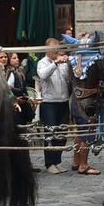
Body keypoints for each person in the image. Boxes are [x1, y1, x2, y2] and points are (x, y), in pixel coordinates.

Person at [36, 38, 71, 173]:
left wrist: (67, 63)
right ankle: (49, 163)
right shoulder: (42, 63)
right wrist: (55, 63)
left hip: (63, 102)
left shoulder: (62, 63)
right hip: (49, 103)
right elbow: (43, 75)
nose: (55, 51)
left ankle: (57, 161)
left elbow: (68, 79)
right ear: (47, 49)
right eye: (53, 49)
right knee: (50, 134)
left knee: (62, 134)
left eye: (57, 48)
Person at [70, 34, 101, 176]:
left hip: (75, 101)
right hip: (86, 103)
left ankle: (76, 162)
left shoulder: (73, 61)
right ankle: (83, 165)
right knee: (87, 132)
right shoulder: (93, 62)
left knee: (79, 132)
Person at [6, 52, 35, 126]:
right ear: (9, 60)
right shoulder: (10, 72)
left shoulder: (19, 72)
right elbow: (8, 88)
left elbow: (23, 88)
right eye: (14, 58)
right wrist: (16, 97)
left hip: (24, 103)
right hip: (16, 104)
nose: (17, 60)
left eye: (17, 58)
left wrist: (27, 97)